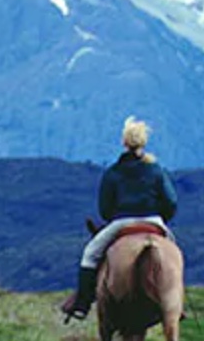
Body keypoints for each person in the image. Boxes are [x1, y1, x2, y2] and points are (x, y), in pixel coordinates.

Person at [61, 116, 178, 321]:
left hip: (122, 222)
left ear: (124, 143)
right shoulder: (156, 170)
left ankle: (82, 303)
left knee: (90, 254)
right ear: (143, 142)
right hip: (154, 221)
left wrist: (116, 216)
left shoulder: (113, 173)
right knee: (174, 256)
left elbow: (105, 209)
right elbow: (171, 201)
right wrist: (160, 219)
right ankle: (174, 302)